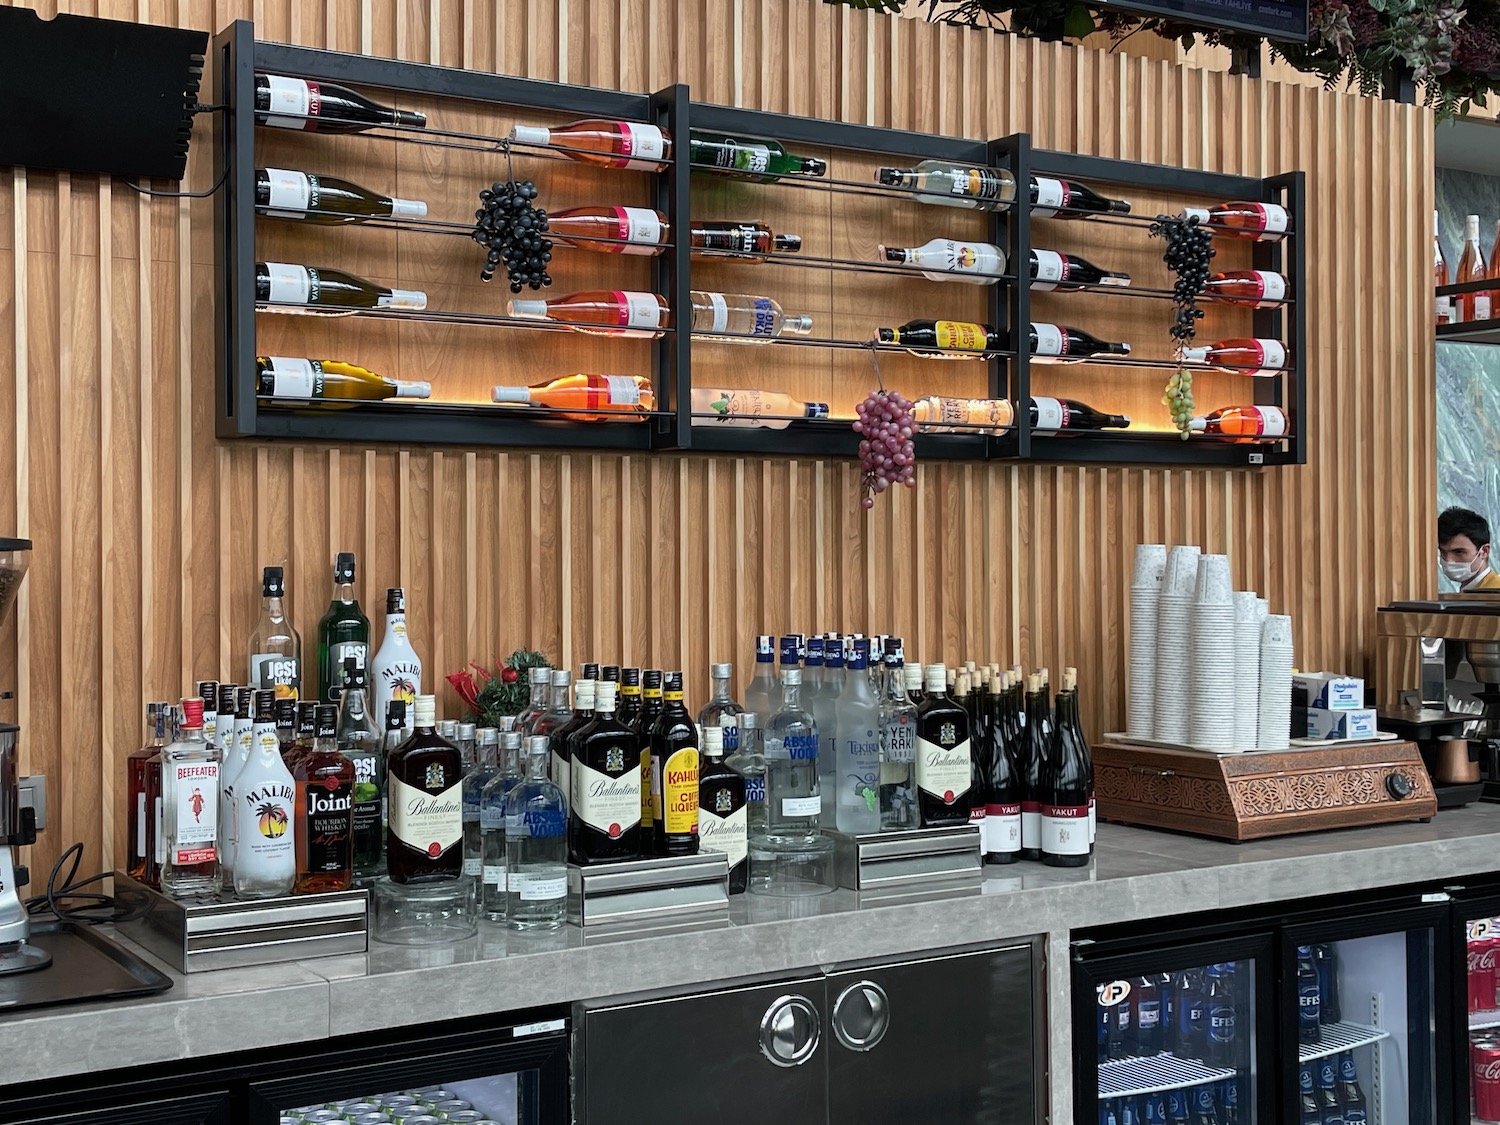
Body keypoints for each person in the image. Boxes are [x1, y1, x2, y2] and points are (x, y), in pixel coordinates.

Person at [1439, 507, 1500, 591]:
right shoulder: (1469, 592)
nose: (1448, 560)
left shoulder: (1494, 595)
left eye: (1459, 552)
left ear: (1484, 551)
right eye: (1442, 551)